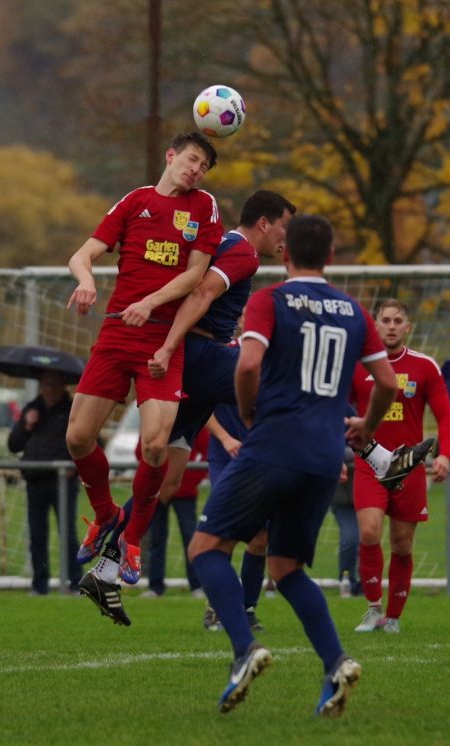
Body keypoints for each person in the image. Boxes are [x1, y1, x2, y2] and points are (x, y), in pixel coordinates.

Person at [187, 214, 398, 717]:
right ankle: (336, 662)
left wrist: (248, 414)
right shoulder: (354, 311)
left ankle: (244, 647)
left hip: (274, 445)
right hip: (325, 458)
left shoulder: (270, 300)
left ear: (284, 254)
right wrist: (366, 425)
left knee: (205, 548)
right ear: (330, 256)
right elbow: (387, 383)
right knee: (285, 568)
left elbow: (247, 365)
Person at [76, 189, 293, 618]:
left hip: (194, 365)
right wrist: (168, 345)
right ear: (264, 224)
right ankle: (374, 454)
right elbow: (200, 294)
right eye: (284, 227)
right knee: (286, 386)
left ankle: (105, 570)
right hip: (199, 356)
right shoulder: (243, 252)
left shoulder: (222, 244)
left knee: (168, 481)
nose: (286, 238)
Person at [65, 131, 223, 601]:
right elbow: (82, 255)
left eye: (203, 166)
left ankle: (131, 540)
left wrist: (151, 303)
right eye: (191, 160)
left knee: (155, 447)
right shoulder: (135, 201)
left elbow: (196, 274)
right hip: (117, 333)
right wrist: (86, 280)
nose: (195, 170)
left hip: (162, 341)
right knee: (77, 438)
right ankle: (106, 516)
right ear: (171, 156)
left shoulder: (203, 207)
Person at [351, 299, 450, 633]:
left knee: (402, 544)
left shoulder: (425, 366)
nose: (392, 326)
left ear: (407, 327)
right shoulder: (356, 365)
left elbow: (446, 416)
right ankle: (372, 609)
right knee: (369, 531)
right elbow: (336, 411)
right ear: (375, 325)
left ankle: (392, 618)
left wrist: (444, 455)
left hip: (409, 468)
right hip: (368, 464)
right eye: (386, 320)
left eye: (398, 321)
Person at [7, 371, 81, 596]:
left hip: (62, 481)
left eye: (55, 385)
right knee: (37, 535)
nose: (51, 389)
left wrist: (75, 466)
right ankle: (40, 585)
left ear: (64, 386)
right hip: (36, 480)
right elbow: (14, 444)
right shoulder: (32, 409)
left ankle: (75, 583)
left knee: (67, 533)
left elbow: (91, 441)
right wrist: (27, 425)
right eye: (47, 384)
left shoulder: (74, 410)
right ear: (41, 386)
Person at [200, 403, 268, 632]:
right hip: (225, 455)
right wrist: (225, 437)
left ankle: (248, 608)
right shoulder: (219, 379)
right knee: (222, 532)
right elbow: (201, 407)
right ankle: (217, 606)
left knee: (261, 537)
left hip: (263, 457)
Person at [139, 429, 209, 598]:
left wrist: (191, 479)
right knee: (156, 538)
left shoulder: (194, 421)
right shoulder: (157, 421)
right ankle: (155, 586)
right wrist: (152, 475)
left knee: (190, 537)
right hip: (157, 490)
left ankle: (197, 585)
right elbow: (142, 448)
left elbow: (206, 451)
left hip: (185, 493)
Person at [332, 448, 361, 598]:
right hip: (342, 502)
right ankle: (347, 580)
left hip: (367, 499)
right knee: (350, 539)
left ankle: (366, 583)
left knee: (369, 540)